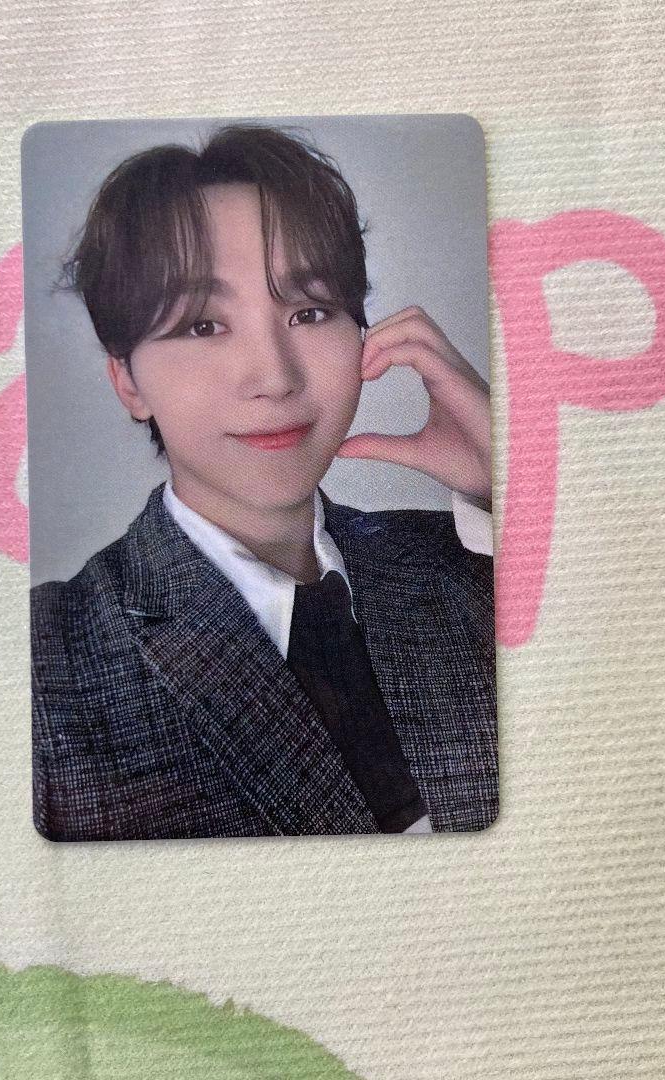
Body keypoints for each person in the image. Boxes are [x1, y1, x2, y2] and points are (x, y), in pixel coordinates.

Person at [31, 123, 497, 840]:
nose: (276, 377)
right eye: (203, 326)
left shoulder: (475, 558)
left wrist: (514, 481)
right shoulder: (47, 662)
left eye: (309, 313)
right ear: (128, 381)